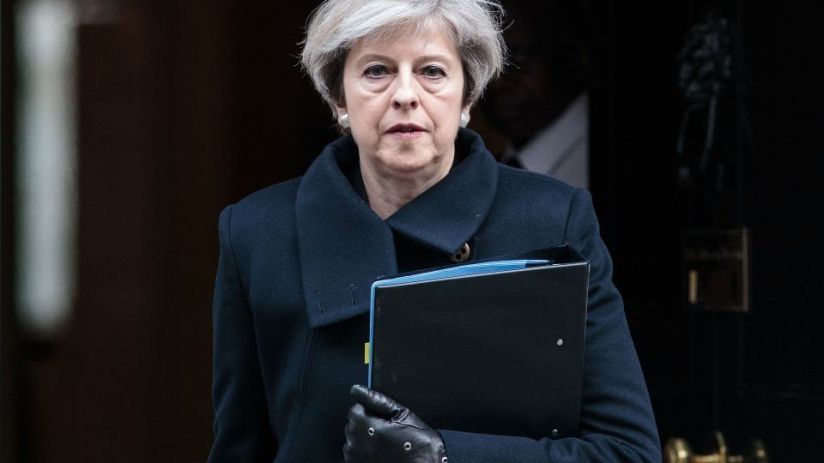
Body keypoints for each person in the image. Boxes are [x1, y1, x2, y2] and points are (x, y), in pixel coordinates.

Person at [208, 0, 661, 462]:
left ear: (467, 98)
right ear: (338, 98)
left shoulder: (553, 219)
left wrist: (444, 454)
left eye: (432, 71)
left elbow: (628, 452)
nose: (405, 94)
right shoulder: (257, 233)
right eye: (377, 71)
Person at [482, 0, 590, 188]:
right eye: (484, 64)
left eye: (519, 58)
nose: (497, 83)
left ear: (574, 54)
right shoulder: (485, 171)